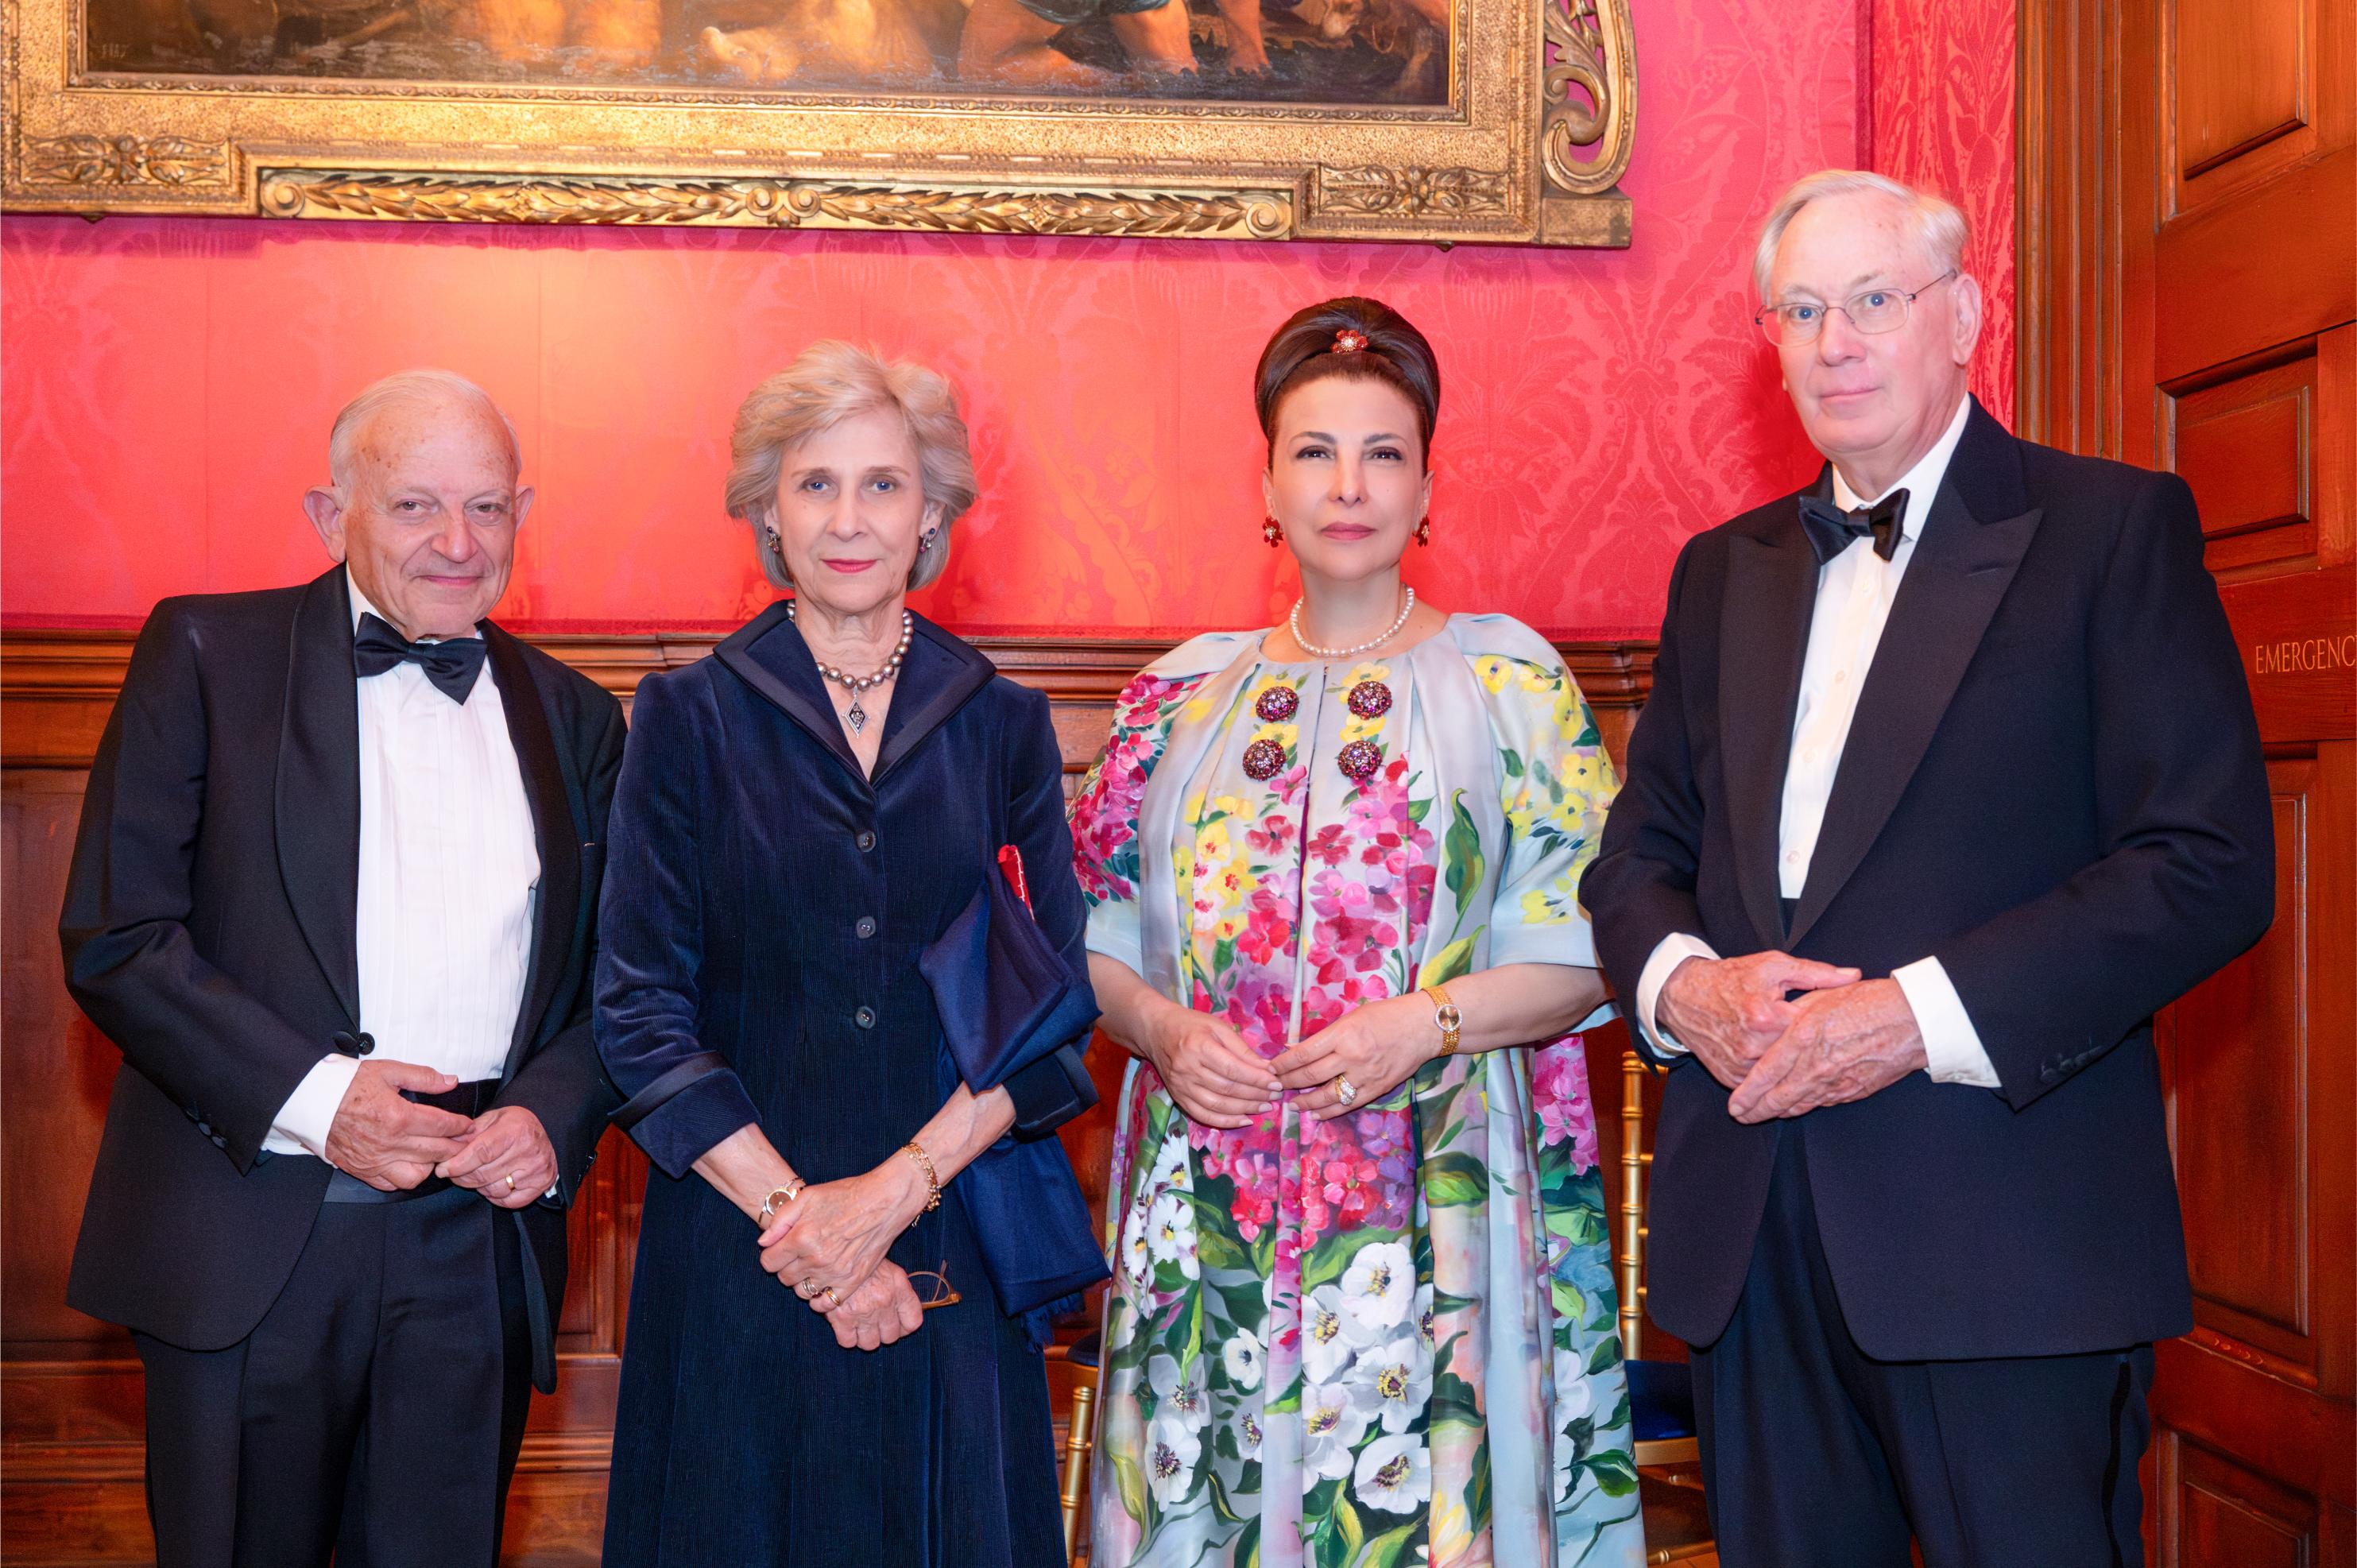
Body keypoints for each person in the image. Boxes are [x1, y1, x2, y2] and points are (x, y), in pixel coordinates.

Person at [1581, 169, 2274, 1566]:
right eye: (1798, 311)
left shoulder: (2109, 530)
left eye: (1872, 301)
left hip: (2003, 1246)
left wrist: (1911, 1016)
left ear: (1959, 318)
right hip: (1751, 1244)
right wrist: (1682, 989)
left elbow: (2204, 862)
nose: (1833, 342)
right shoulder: (1722, 570)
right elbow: (1634, 857)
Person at [1075, 296, 1644, 1568]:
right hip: (1210, 1195)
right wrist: (1161, 1029)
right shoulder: (1176, 696)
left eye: (1383, 453)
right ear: (1266, 485)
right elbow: (1091, 935)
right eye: (1315, 451)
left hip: (1431, 1194)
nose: (1348, 485)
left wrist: (1423, 1021)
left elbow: (1586, 950)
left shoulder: (1507, 684)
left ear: (1427, 487)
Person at [58, 370, 629, 1568]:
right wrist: (326, 1105)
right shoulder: (207, 653)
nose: (458, 542)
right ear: (333, 516)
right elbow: (118, 936)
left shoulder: (577, 714)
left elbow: (616, 980)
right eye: (416, 504)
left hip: (476, 1244)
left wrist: (550, 1114)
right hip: (255, 1226)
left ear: (523, 515)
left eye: (487, 507)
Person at [594, 341, 1101, 1567]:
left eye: (882, 484)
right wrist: (805, 1230)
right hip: (737, 1247)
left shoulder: (1003, 724)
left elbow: (1056, 1015)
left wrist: (884, 1200)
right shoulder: (686, 717)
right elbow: (638, 1012)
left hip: (952, 1234)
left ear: (931, 511)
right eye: (814, 484)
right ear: (767, 510)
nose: (848, 518)